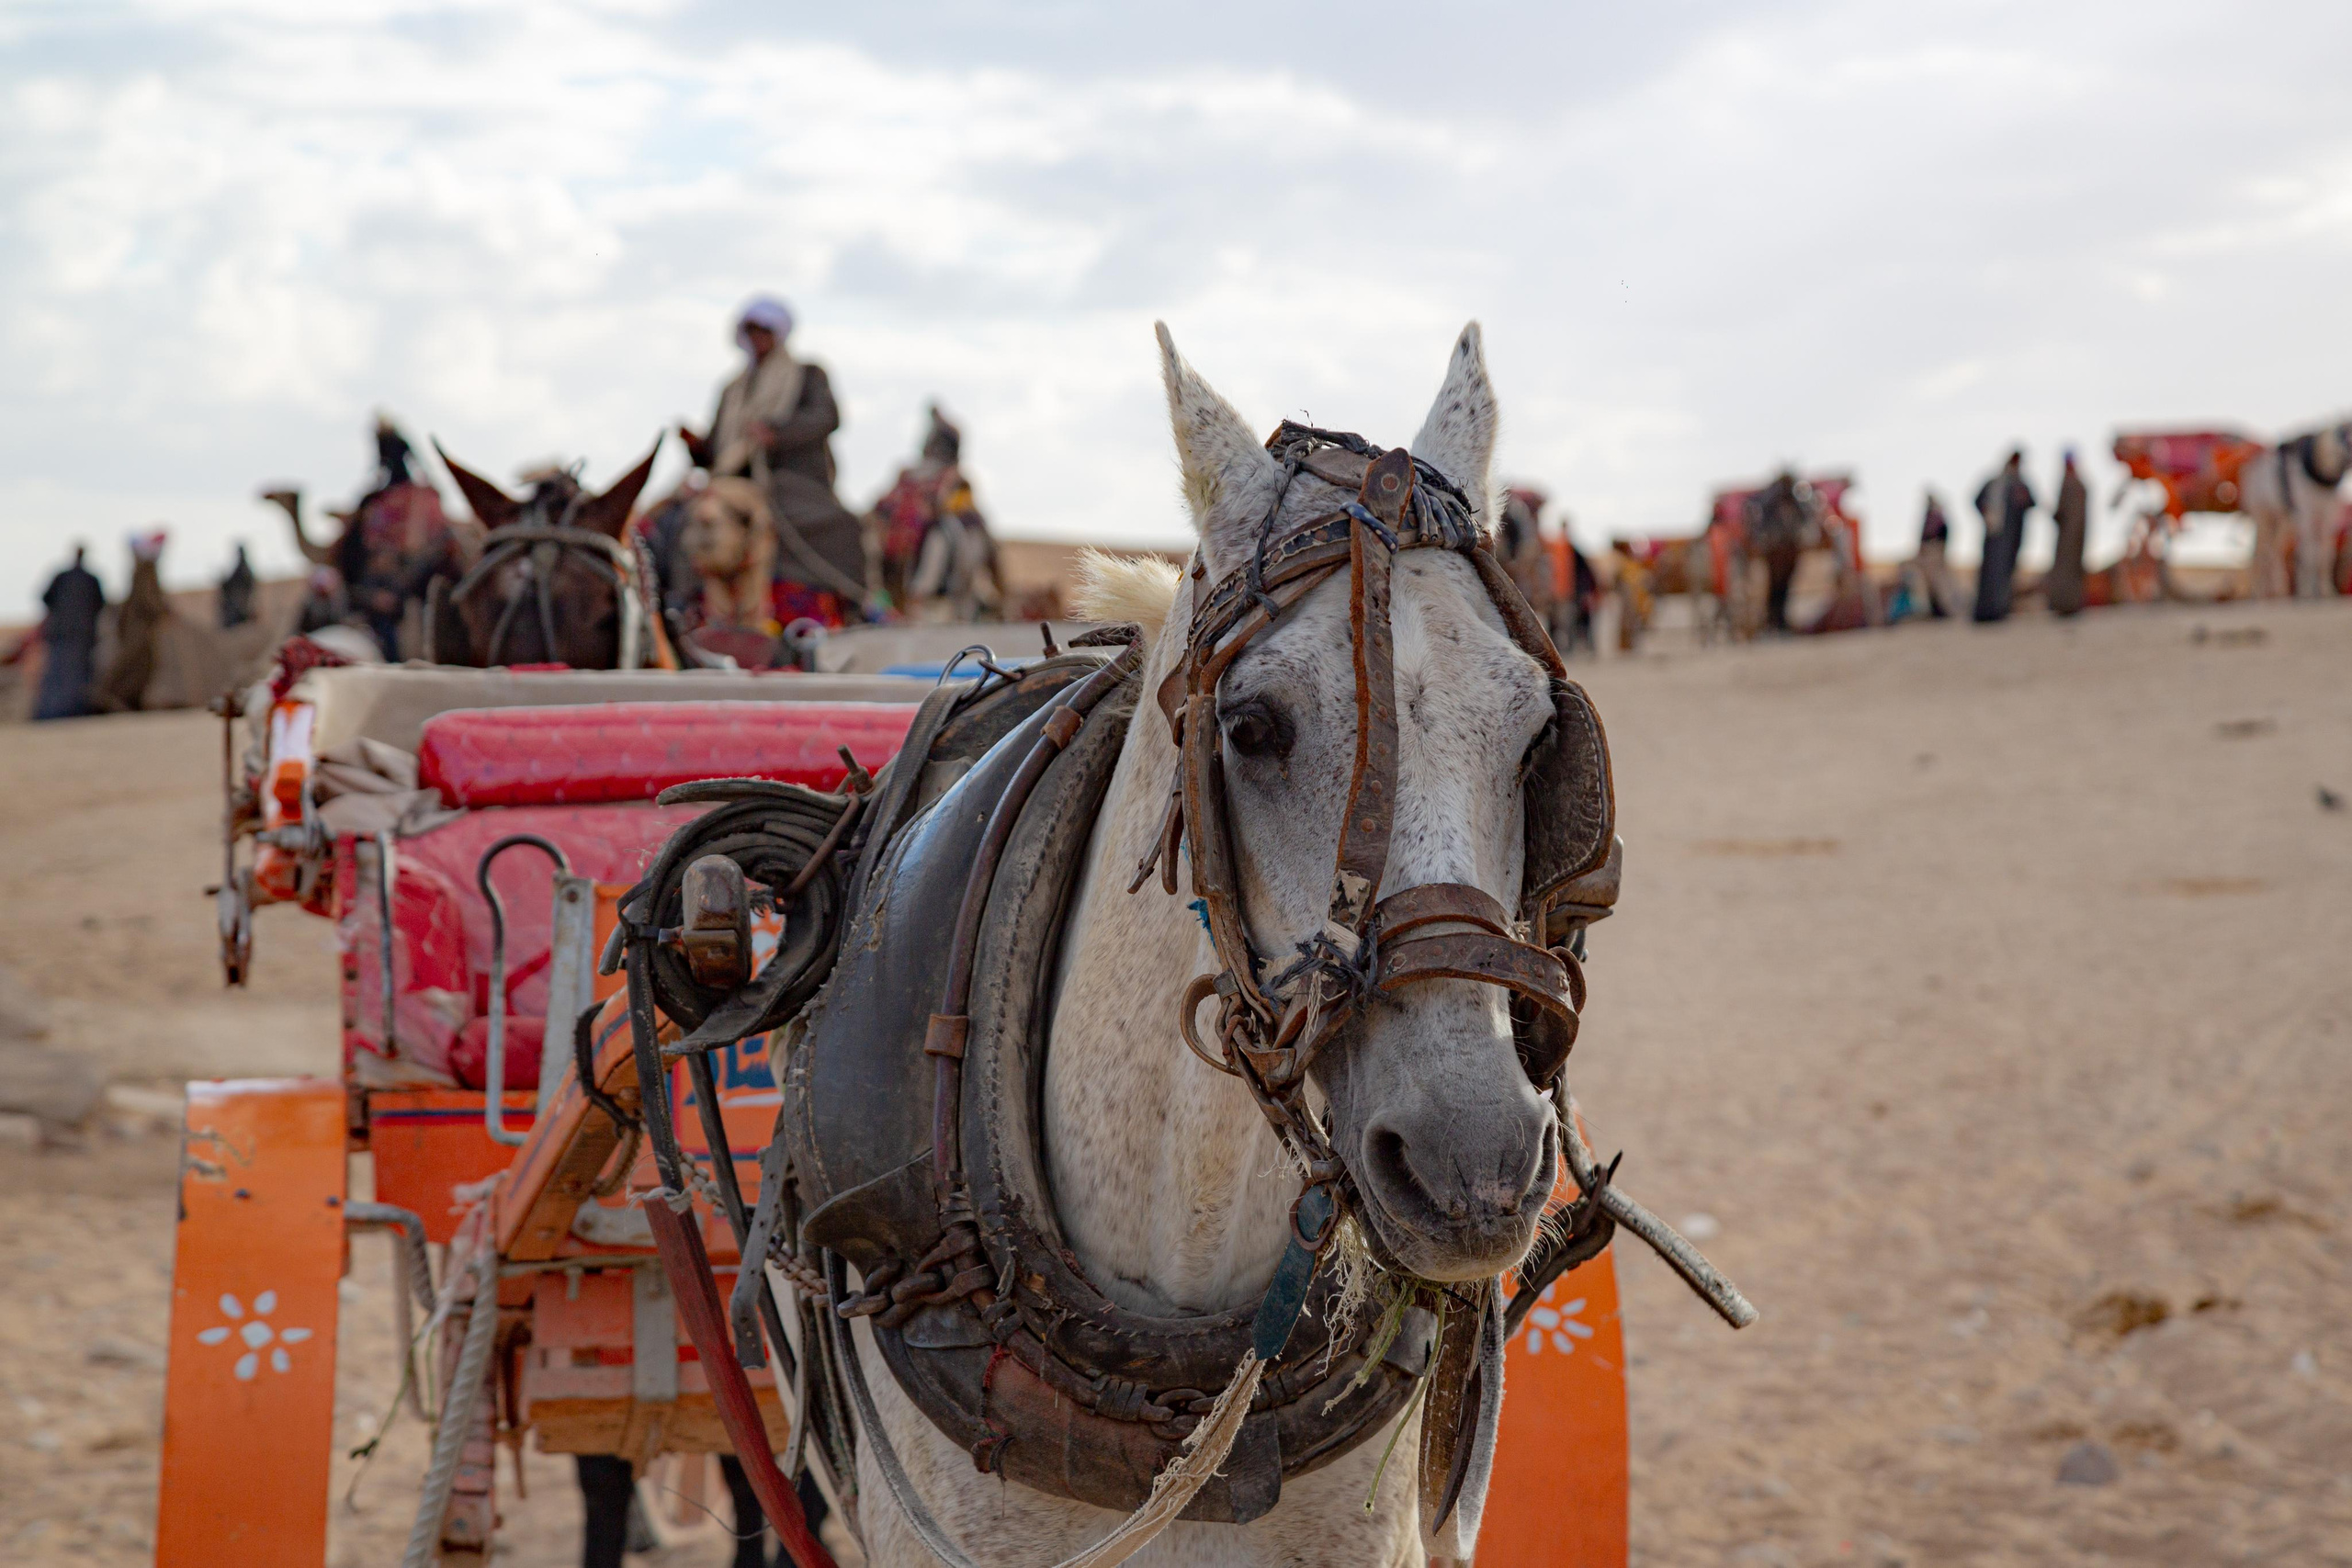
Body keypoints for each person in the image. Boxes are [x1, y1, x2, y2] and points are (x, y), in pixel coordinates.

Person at [681, 297, 867, 627]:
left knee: (813, 524)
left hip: (789, 479)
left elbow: (827, 417)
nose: (757, 338)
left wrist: (776, 433)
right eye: (751, 331)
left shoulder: (807, 374)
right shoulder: (732, 389)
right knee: (679, 518)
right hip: (734, 482)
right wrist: (696, 446)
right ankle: (695, 611)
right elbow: (718, 450)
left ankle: (770, 614)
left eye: (764, 331)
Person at [26, 546, 105, 720]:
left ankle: (57, 712)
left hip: (67, 634)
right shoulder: (89, 579)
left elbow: (46, 598)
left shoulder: (65, 577)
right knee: (69, 674)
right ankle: (66, 711)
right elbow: (99, 604)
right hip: (75, 635)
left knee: (61, 674)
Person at [1972, 449, 2035, 624]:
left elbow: (2031, 502)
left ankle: (1999, 609)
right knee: (1989, 575)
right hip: (1994, 538)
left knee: (2005, 574)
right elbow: (1977, 501)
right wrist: (1987, 515)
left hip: (2011, 541)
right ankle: (1985, 611)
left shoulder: (2019, 485)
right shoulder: (1994, 483)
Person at [2045, 449, 2089, 616]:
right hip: (2074, 536)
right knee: (2069, 571)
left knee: (2066, 571)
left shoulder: (2070, 484)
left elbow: (2062, 512)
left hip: (2069, 538)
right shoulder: (2078, 484)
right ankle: (2067, 604)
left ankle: (2066, 604)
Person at [1912, 491, 1964, 618]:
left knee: (1941, 583)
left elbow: (1932, 536)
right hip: (1932, 553)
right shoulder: (1933, 516)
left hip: (1934, 553)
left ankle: (1948, 609)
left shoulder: (1936, 517)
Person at [218, 543, 257, 629]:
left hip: (240, 600)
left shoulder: (243, 568)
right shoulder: (242, 567)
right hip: (239, 598)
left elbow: (242, 583)